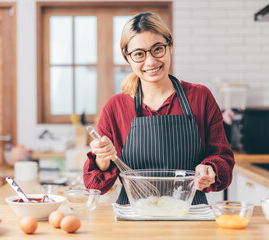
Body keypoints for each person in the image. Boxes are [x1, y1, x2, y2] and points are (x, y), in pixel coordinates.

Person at [83, 12, 234, 205]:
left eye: (157, 49)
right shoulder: (115, 107)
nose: (151, 61)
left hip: (189, 215)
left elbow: (224, 159)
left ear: (170, 46)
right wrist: (102, 158)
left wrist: (210, 168)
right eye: (139, 54)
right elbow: (94, 185)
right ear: (127, 57)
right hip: (133, 215)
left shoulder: (200, 97)